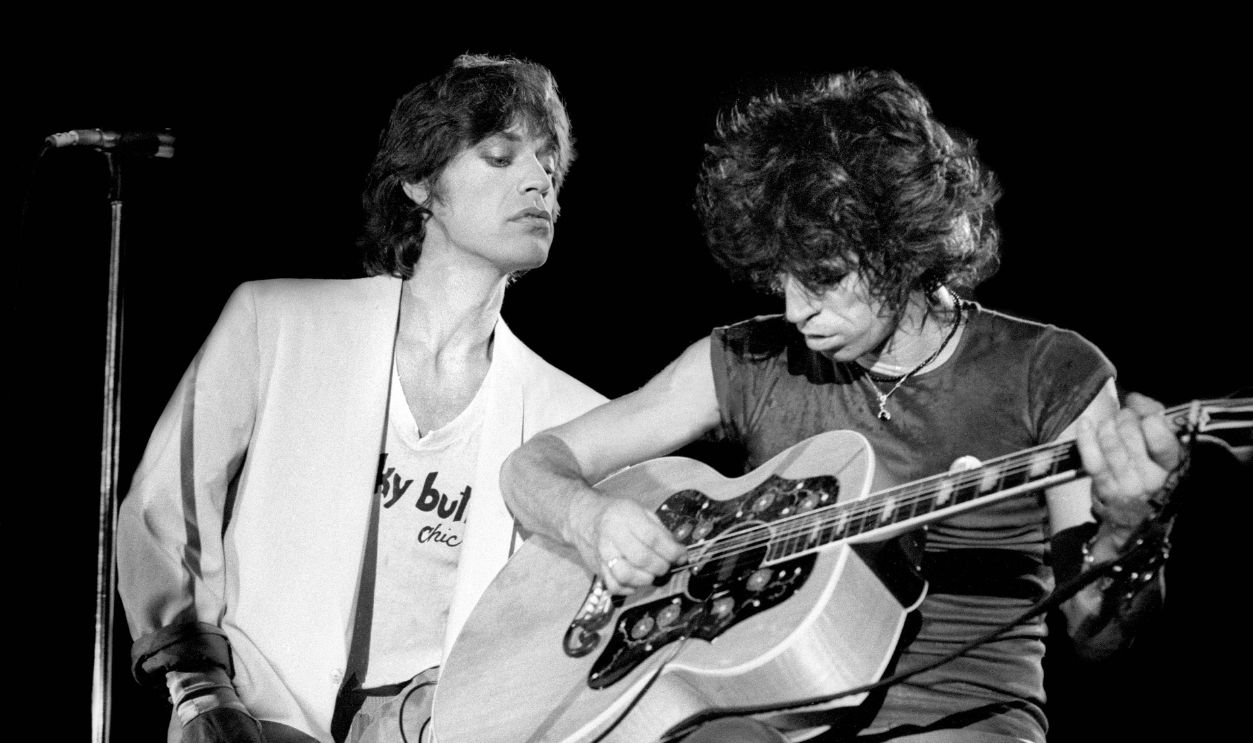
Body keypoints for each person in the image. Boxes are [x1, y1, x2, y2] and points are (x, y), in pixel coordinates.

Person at [499, 70, 1183, 742]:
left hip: (956, 718)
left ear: (905, 246)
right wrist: (587, 518)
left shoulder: (1049, 370)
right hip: (754, 714)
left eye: (824, 279)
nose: (795, 310)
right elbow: (531, 466)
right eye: (779, 277)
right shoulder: (749, 360)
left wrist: (1129, 532)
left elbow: (1099, 635)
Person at [116, 54, 606, 743]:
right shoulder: (275, 320)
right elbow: (164, 510)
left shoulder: (575, 417)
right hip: (255, 717)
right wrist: (199, 693)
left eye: (549, 167)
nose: (538, 182)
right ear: (417, 182)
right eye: (499, 156)